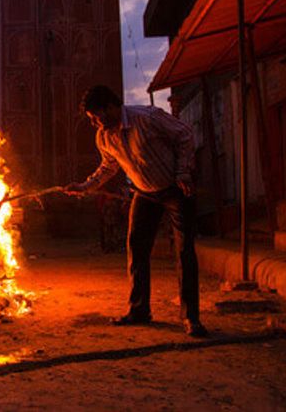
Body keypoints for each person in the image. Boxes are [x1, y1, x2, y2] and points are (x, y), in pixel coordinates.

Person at [66, 85, 208, 337]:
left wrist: (184, 171)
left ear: (111, 106)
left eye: (97, 116)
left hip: (175, 188)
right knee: (137, 248)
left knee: (185, 250)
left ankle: (190, 318)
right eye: (91, 119)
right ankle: (139, 310)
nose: (95, 123)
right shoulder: (104, 136)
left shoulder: (147, 117)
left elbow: (184, 134)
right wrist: (85, 187)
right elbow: (108, 167)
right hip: (144, 193)